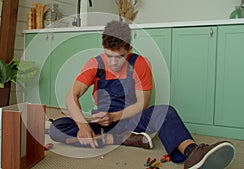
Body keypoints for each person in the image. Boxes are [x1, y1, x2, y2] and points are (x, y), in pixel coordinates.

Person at [49, 20, 235, 169]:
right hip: (102, 123)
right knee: (58, 127)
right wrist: (82, 125)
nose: (113, 62)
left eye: (119, 56)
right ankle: (122, 138)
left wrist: (113, 116)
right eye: (109, 56)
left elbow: (142, 104)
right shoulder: (94, 63)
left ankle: (193, 153)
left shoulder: (140, 64)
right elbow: (71, 96)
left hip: (130, 118)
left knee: (166, 111)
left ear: (128, 50)